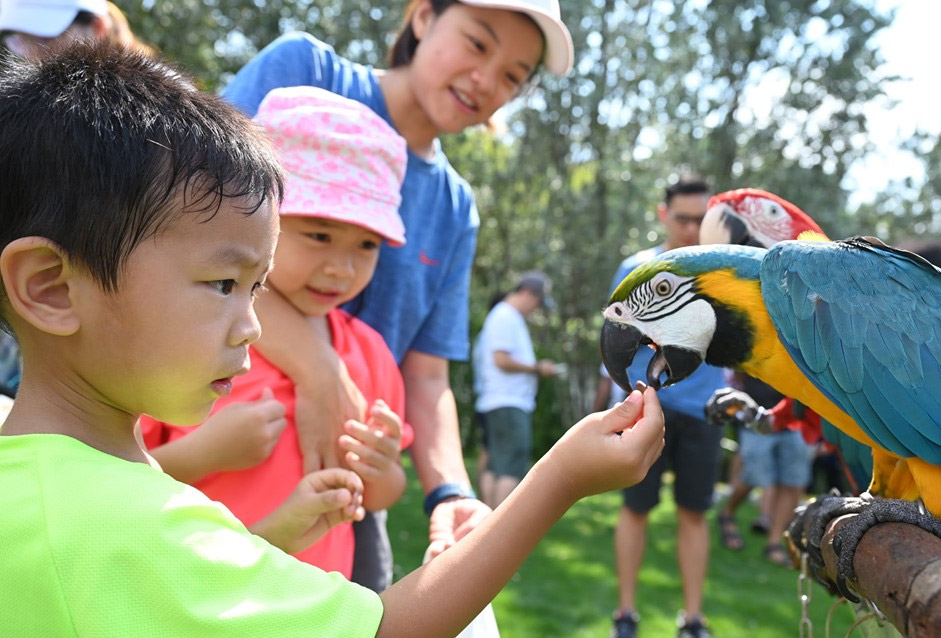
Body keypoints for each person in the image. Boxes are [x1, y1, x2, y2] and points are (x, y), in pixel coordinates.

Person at [0, 42, 666, 636]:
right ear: (50, 287)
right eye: (222, 284)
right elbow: (395, 629)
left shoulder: (56, 498)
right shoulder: (135, 532)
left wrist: (279, 532)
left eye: (257, 288)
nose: (256, 326)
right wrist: (558, 480)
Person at [221, 0, 575, 592]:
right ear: (422, 17)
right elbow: (182, 233)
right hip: (218, 443)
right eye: (477, 43)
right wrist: (320, 371)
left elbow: (428, 374)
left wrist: (451, 492)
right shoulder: (306, 71)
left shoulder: (456, 208)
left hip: (347, 490)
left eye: (514, 75)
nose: (487, 81)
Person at [139, 86, 414, 578]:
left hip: (318, 607)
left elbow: (382, 496)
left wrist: (382, 467)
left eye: (367, 245)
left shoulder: (369, 353)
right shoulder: (189, 333)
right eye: (320, 235)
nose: (342, 268)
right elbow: (117, 476)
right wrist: (204, 453)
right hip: (194, 595)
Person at [597, 176, 725, 638]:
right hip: (643, 409)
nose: (691, 228)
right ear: (663, 214)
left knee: (694, 513)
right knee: (636, 509)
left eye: (700, 219)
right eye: (683, 218)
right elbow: (612, 343)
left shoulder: (718, 275)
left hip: (703, 410)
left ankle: (693, 620)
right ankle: (625, 615)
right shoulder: (636, 270)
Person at [473, 271, 558, 507]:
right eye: (538, 303)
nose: (536, 309)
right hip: (508, 402)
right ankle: (499, 531)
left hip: (500, 402)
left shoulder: (503, 316)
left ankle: (485, 524)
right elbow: (501, 360)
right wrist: (537, 368)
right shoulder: (505, 317)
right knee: (512, 465)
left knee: (496, 466)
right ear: (528, 294)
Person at [711, 374, 812, 568]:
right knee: (753, 478)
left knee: (792, 483)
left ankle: (774, 543)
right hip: (756, 420)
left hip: (796, 421)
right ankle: (728, 513)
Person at [0, 0, 152, 59]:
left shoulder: (162, 99)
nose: (32, 56)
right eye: (21, 40)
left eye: (46, 38)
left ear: (98, 27)